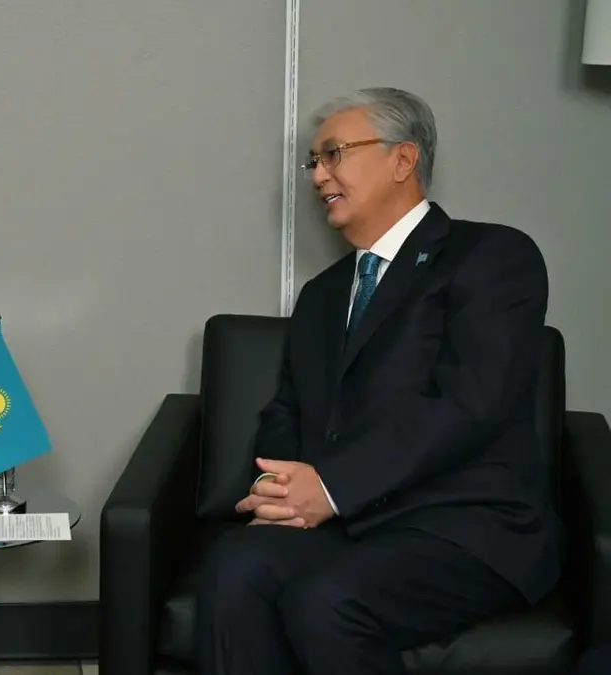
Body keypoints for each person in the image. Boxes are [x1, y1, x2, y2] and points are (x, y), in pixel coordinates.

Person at [194, 87, 561, 675]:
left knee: (326, 602)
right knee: (235, 564)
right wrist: (279, 490)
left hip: (462, 525)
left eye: (334, 154)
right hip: (351, 525)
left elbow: (471, 405)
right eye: (314, 161)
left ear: (402, 159)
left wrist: (331, 487)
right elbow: (288, 409)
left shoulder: (493, 255)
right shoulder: (322, 295)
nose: (318, 176)